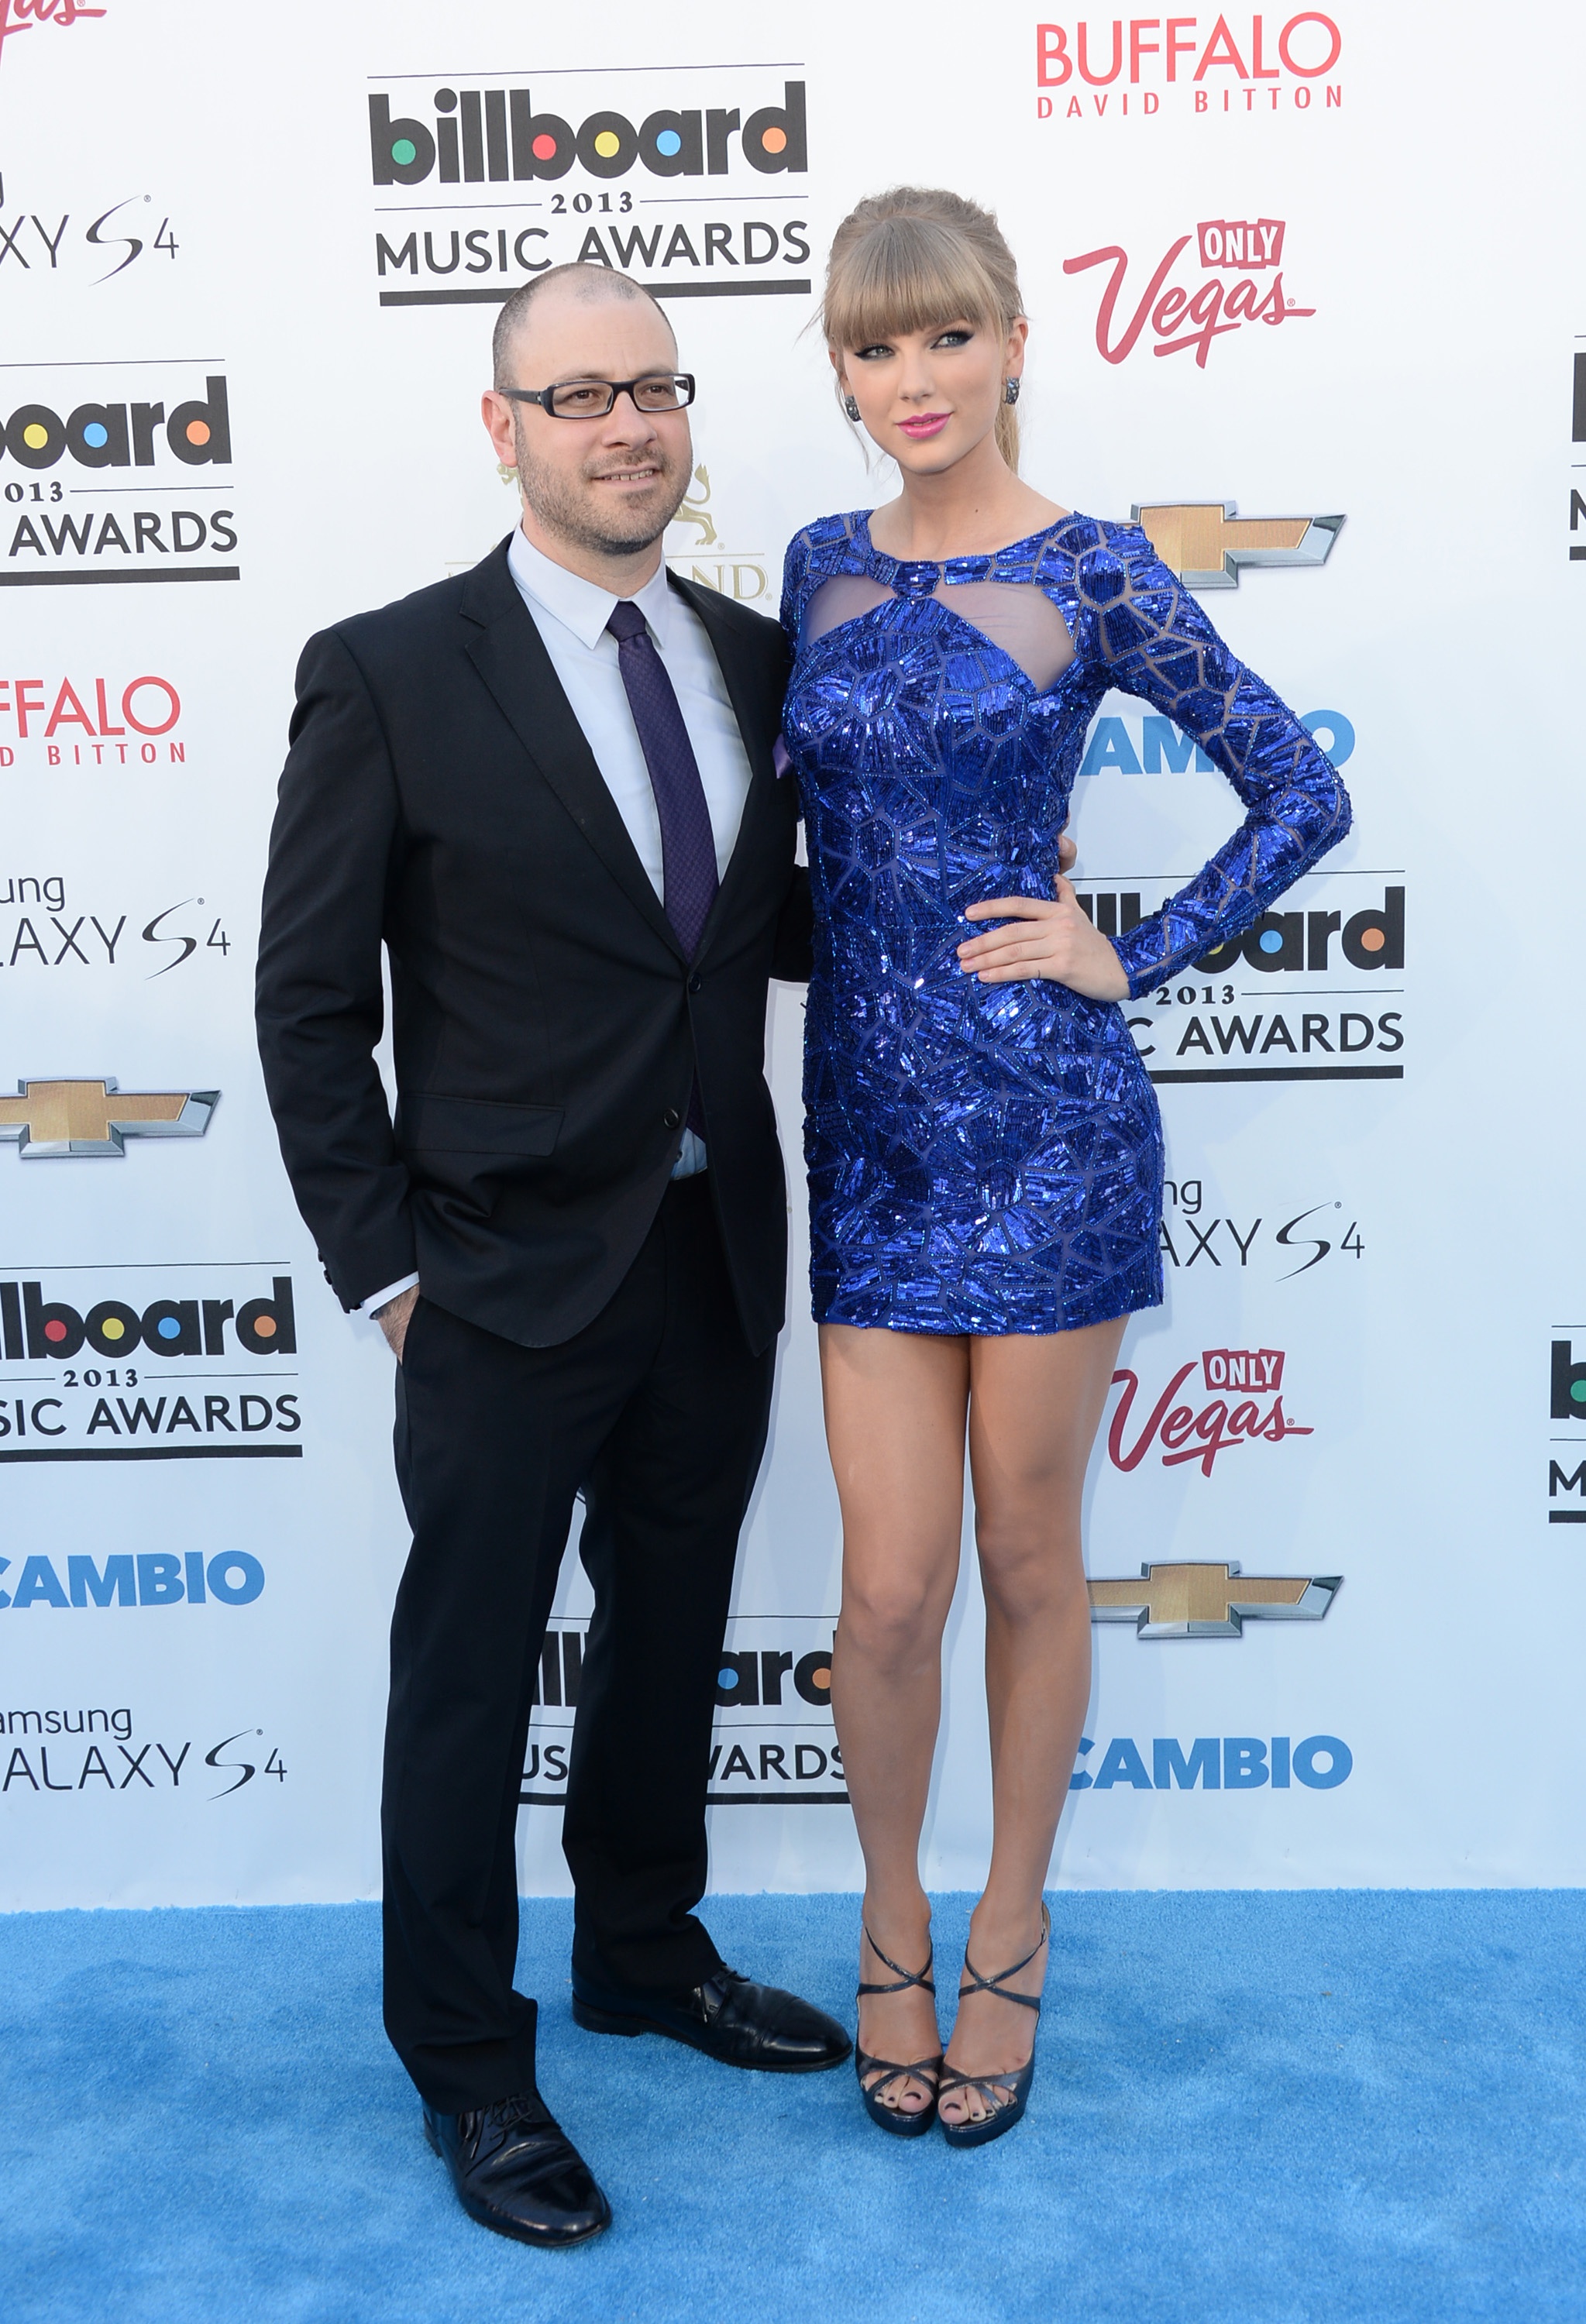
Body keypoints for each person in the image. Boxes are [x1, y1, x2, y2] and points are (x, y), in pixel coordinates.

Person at [256, 263, 847, 2252]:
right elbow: (309, 998)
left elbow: (750, 930)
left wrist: (985, 887)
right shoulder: (387, 670)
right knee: (468, 1677)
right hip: (493, 1274)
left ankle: (641, 1953)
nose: (627, 427)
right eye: (579, 395)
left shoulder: (755, 658)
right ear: (500, 426)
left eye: (654, 388)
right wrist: (383, 1266)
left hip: (710, 1246)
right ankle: (465, 2062)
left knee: (669, 1635)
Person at [779, 187, 1351, 2147]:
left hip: (1046, 1131)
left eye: (945, 335)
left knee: (1027, 1556)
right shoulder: (816, 565)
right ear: (843, 370)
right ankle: (888, 1921)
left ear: (1013, 343)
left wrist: (1137, 949)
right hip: (867, 1139)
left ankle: (1010, 1930)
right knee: (884, 1594)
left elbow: (1299, 786)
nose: (912, 377)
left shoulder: (1096, 569)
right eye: (874, 345)